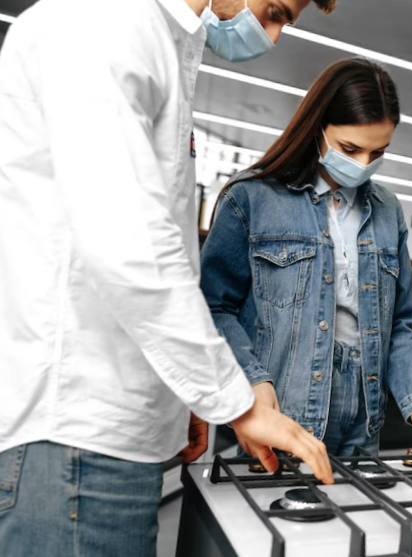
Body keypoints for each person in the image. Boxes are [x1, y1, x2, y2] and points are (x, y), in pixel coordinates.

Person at [0, 0, 337, 555]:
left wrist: (185, 397)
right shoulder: (101, 23)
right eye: (276, 10)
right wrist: (233, 400)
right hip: (76, 439)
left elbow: (157, 247)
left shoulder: (166, 39)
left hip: (108, 441)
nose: (273, 36)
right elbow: (127, 245)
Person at [200, 58, 412, 458]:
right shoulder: (252, 197)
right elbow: (214, 307)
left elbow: (402, 325)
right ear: (317, 126)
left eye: (377, 153)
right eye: (350, 149)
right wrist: (252, 379)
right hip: (283, 409)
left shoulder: (388, 211)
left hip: (364, 418)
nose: (361, 165)